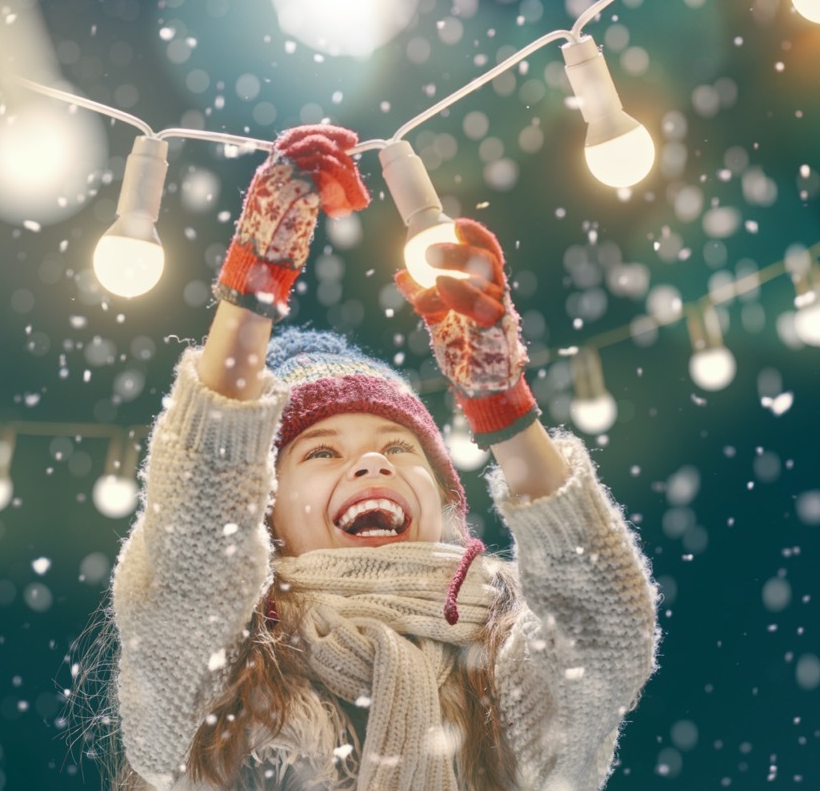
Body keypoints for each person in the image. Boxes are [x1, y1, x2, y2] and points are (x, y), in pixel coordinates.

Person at [103, 125, 660, 791]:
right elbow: (190, 553)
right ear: (262, 507)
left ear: (449, 503)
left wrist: (504, 410)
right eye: (322, 450)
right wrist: (250, 294)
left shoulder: (496, 677)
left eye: (399, 447)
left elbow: (605, 633)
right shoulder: (219, 676)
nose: (371, 466)